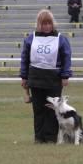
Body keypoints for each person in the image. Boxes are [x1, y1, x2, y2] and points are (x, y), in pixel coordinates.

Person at [20, 9, 72, 144]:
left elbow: (66, 58)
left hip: (53, 80)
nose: (47, 26)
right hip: (36, 79)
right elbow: (25, 58)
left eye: (49, 23)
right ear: (39, 24)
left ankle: (50, 138)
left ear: (53, 24)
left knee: (52, 110)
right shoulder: (31, 39)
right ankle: (39, 137)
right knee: (38, 110)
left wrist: (65, 75)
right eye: (44, 24)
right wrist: (24, 77)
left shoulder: (61, 39)